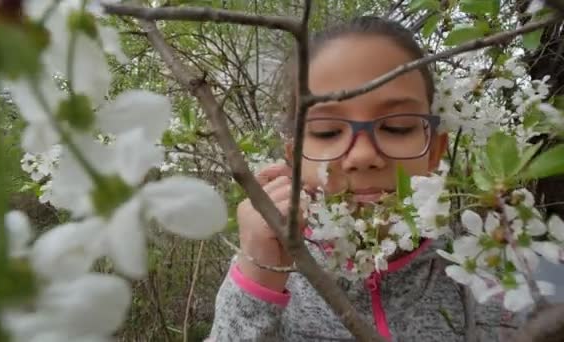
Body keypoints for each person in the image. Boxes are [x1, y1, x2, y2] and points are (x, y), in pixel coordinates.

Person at [209, 16, 519, 341]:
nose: (362, 156)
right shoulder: (270, 273)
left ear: (434, 150)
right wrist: (258, 280)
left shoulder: (489, 277)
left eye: (397, 127)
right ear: (295, 158)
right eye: (327, 131)